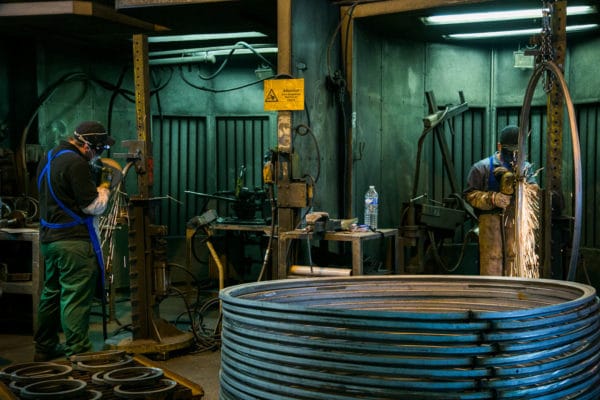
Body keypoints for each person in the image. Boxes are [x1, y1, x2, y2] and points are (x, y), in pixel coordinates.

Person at [33, 120, 115, 361]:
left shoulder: (49, 158)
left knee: (52, 293)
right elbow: (92, 206)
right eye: (101, 149)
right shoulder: (76, 163)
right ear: (89, 145)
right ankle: (79, 353)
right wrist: (105, 186)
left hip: (50, 240)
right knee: (75, 297)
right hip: (73, 244)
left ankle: (44, 347)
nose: (100, 154)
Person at [464, 125, 537, 276]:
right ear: (499, 146)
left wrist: (523, 188)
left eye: (517, 151)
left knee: (516, 261)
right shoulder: (482, 168)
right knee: (492, 261)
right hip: (490, 225)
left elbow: (535, 194)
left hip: (517, 224)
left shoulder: (526, 169)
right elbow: (469, 195)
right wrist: (492, 198)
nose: (513, 155)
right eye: (509, 151)